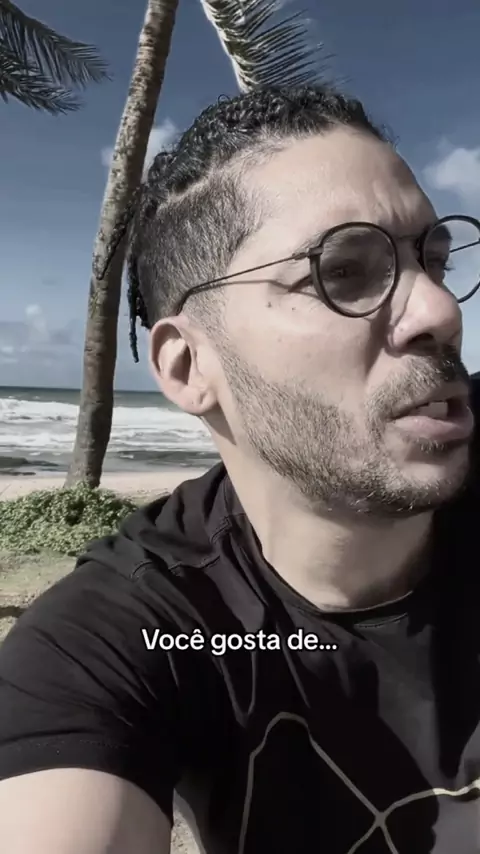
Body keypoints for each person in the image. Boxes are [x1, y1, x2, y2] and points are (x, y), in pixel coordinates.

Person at [1, 84, 480, 854]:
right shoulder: (135, 632)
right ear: (189, 366)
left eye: (433, 260)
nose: (439, 311)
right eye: (344, 271)